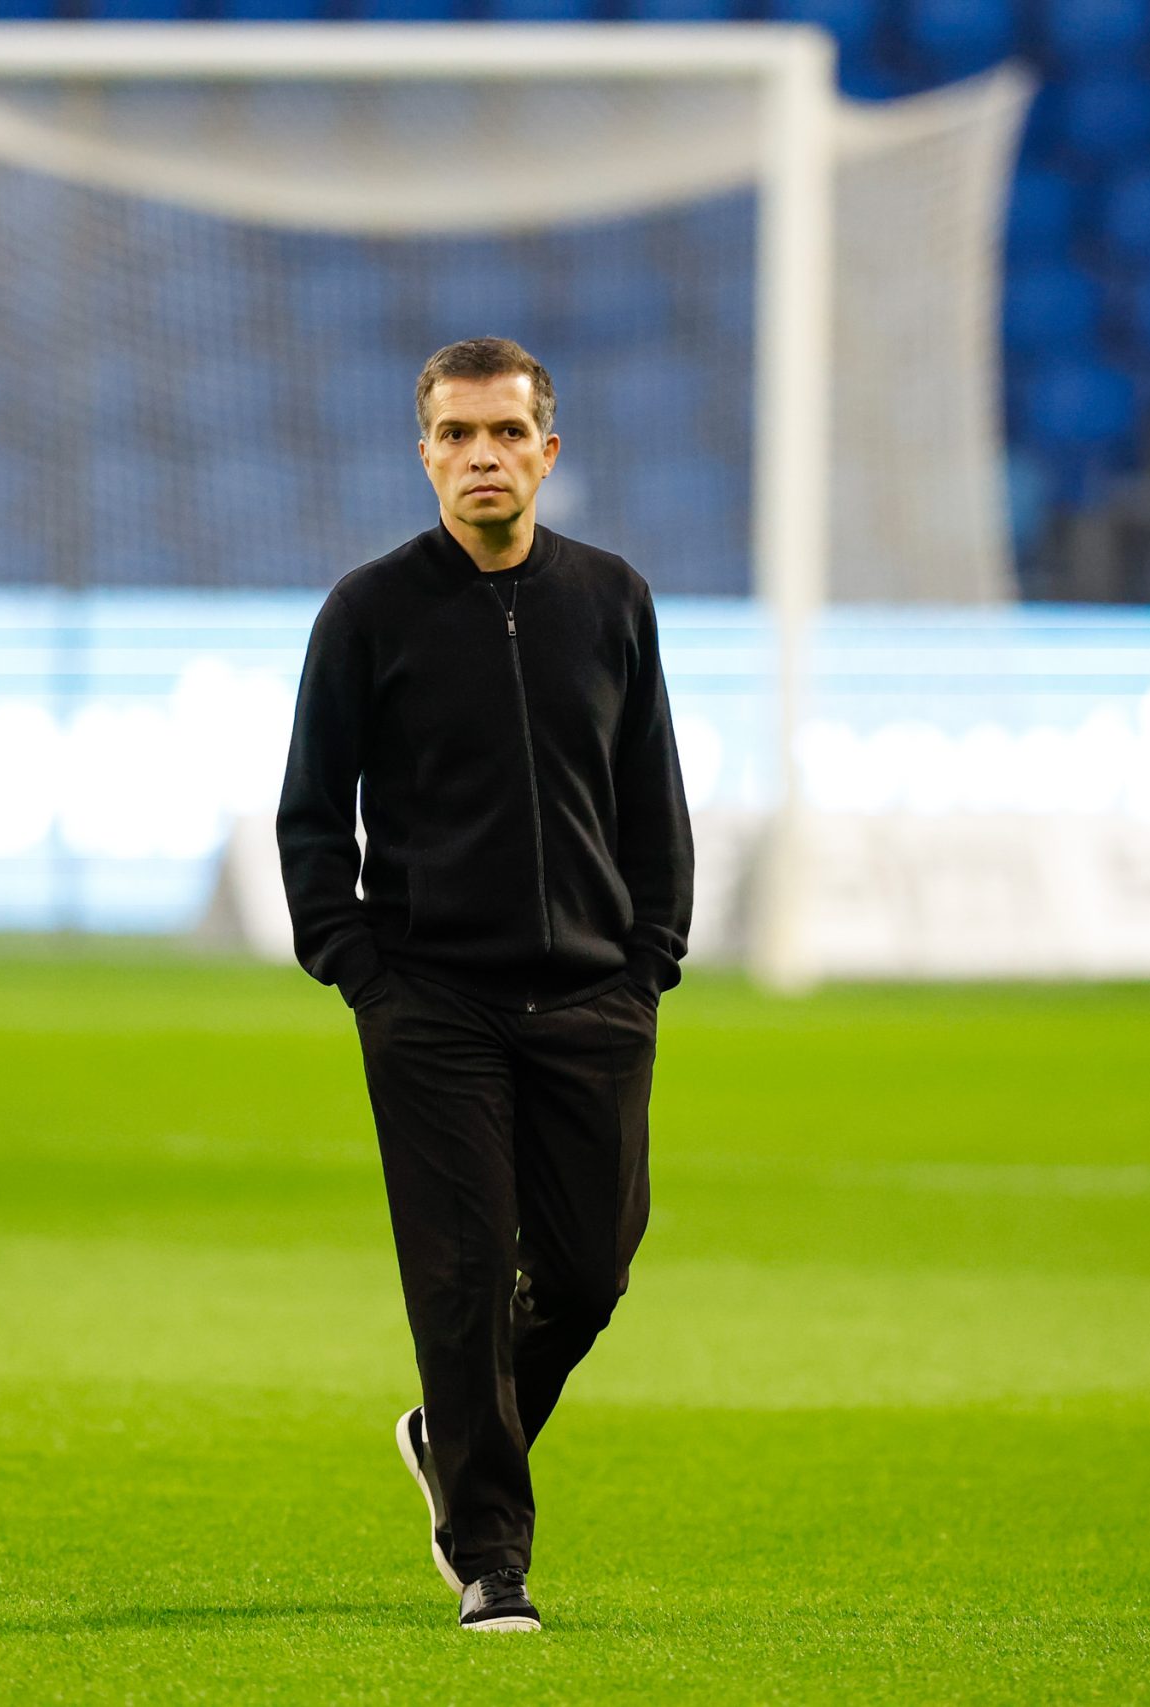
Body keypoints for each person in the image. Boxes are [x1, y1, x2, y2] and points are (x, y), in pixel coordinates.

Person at [276, 337, 694, 1634]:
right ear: (425, 455)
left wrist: (647, 966)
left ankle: (441, 1432)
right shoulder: (366, 612)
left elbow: (653, 808)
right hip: (433, 1009)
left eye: (506, 433)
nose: (482, 457)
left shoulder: (615, 600)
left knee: (587, 1272)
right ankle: (492, 1557)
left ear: (547, 451)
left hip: (590, 1008)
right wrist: (364, 975)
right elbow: (307, 819)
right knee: (459, 1283)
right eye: (456, 435)